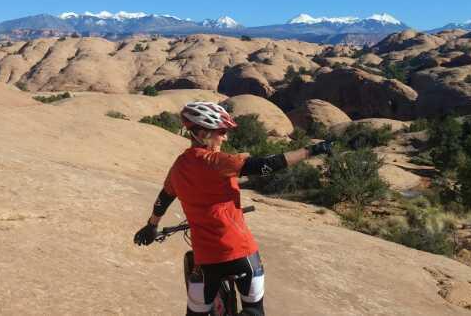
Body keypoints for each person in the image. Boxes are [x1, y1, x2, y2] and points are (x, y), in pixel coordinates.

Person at [133, 101, 332, 316]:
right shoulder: (218, 161)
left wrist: (152, 225)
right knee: (254, 310)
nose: (225, 137)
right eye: (221, 131)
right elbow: (266, 165)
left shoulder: (179, 166)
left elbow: (165, 197)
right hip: (240, 252)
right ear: (201, 133)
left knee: (196, 311)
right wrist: (311, 150)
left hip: (206, 260)